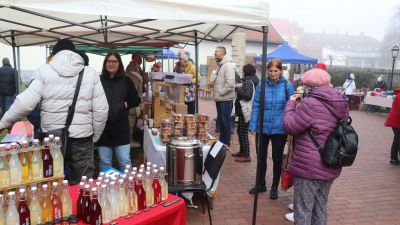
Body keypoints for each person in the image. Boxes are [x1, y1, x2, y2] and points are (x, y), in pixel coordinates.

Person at [0, 39, 108, 185]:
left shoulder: (45, 70)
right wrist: (95, 136)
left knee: (50, 183)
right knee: (83, 186)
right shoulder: (90, 73)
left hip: (52, 136)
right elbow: (102, 110)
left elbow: (24, 103)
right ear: (74, 53)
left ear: (54, 54)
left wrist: (4, 122)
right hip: (82, 136)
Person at [283, 68, 349, 225]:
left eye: (304, 85)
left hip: (309, 166)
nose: (303, 88)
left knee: (303, 209)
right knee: (320, 207)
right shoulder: (340, 101)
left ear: (309, 86)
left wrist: (291, 104)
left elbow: (290, 126)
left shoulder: (310, 104)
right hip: (330, 162)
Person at [248, 59, 294, 199]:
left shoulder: (287, 85)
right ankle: (261, 184)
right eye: (271, 71)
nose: (273, 73)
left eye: (276, 71)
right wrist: (252, 124)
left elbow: (291, 107)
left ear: (280, 71)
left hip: (279, 129)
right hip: (263, 127)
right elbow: (256, 105)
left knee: (277, 158)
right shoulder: (262, 85)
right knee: (261, 157)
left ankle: (274, 187)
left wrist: (289, 126)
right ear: (267, 71)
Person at [97, 52, 141, 172]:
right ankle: (106, 189)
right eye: (109, 61)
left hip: (121, 128)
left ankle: (128, 189)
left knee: (125, 161)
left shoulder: (126, 81)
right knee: (104, 162)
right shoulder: (98, 81)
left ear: (119, 64)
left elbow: (136, 100)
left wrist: (125, 104)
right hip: (103, 128)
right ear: (105, 63)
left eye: (115, 61)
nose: (111, 64)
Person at [231, 64, 259, 162]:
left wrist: (239, 88)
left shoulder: (248, 81)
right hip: (245, 110)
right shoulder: (252, 80)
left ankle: (246, 155)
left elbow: (247, 96)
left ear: (245, 71)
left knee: (243, 133)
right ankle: (242, 151)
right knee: (240, 131)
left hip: (246, 110)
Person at [209, 46, 235, 146]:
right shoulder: (220, 65)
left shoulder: (228, 65)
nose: (214, 53)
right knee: (223, 121)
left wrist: (221, 92)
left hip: (225, 98)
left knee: (225, 120)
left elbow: (230, 84)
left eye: (216, 52)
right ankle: (222, 140)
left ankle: (226, 141)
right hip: (220, 98)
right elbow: (212, 79)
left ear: (222, 54)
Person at [125, 52, 144, 148]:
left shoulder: (136, 67)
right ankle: (128, 140)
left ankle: (129, 139)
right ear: (134, 58)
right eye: (139, 57)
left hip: (134, 99)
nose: (141, 59)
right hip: (132, 100)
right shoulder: (132, 67)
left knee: (132, 119)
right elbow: (134, 85)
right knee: (131, 120)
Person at [384, 88, 400, 165]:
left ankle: (393, 158)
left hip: (396, 121)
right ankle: (393, 158)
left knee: (397, 140)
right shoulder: (399, 96)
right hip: (396, 121)